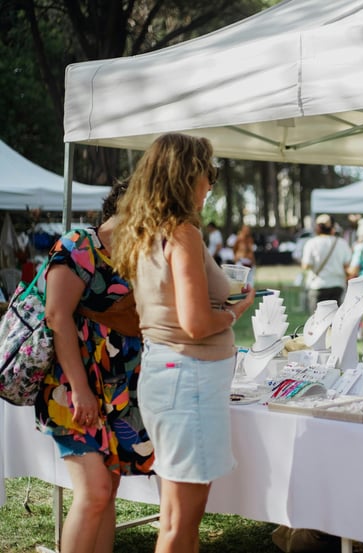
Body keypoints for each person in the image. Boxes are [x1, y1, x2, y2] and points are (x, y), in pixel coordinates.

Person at [111, 133, 256, 553]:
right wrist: (233, 313)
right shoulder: (182, 233)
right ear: (187, 175)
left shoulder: (145, 231)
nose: (211, 184)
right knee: (181, 520)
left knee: (175, 517)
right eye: (208, 174)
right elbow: (194, 323)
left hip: (166, 372)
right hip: (187, 378)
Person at [35, 180, 154, 553]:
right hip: (73, 386)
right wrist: (81, 390)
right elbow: (57, 316)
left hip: (118, 389)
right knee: (95, 491)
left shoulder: (137, 255)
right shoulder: (78, 245)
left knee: (108, 490)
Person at [301, 213, 352, 313]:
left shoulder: (311, 243)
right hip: (337, 285)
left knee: (317, 322)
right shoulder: (342, 243)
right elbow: (347, 265)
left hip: (318, 285)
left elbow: (306, 265)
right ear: (333, 227)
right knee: (334, 321)